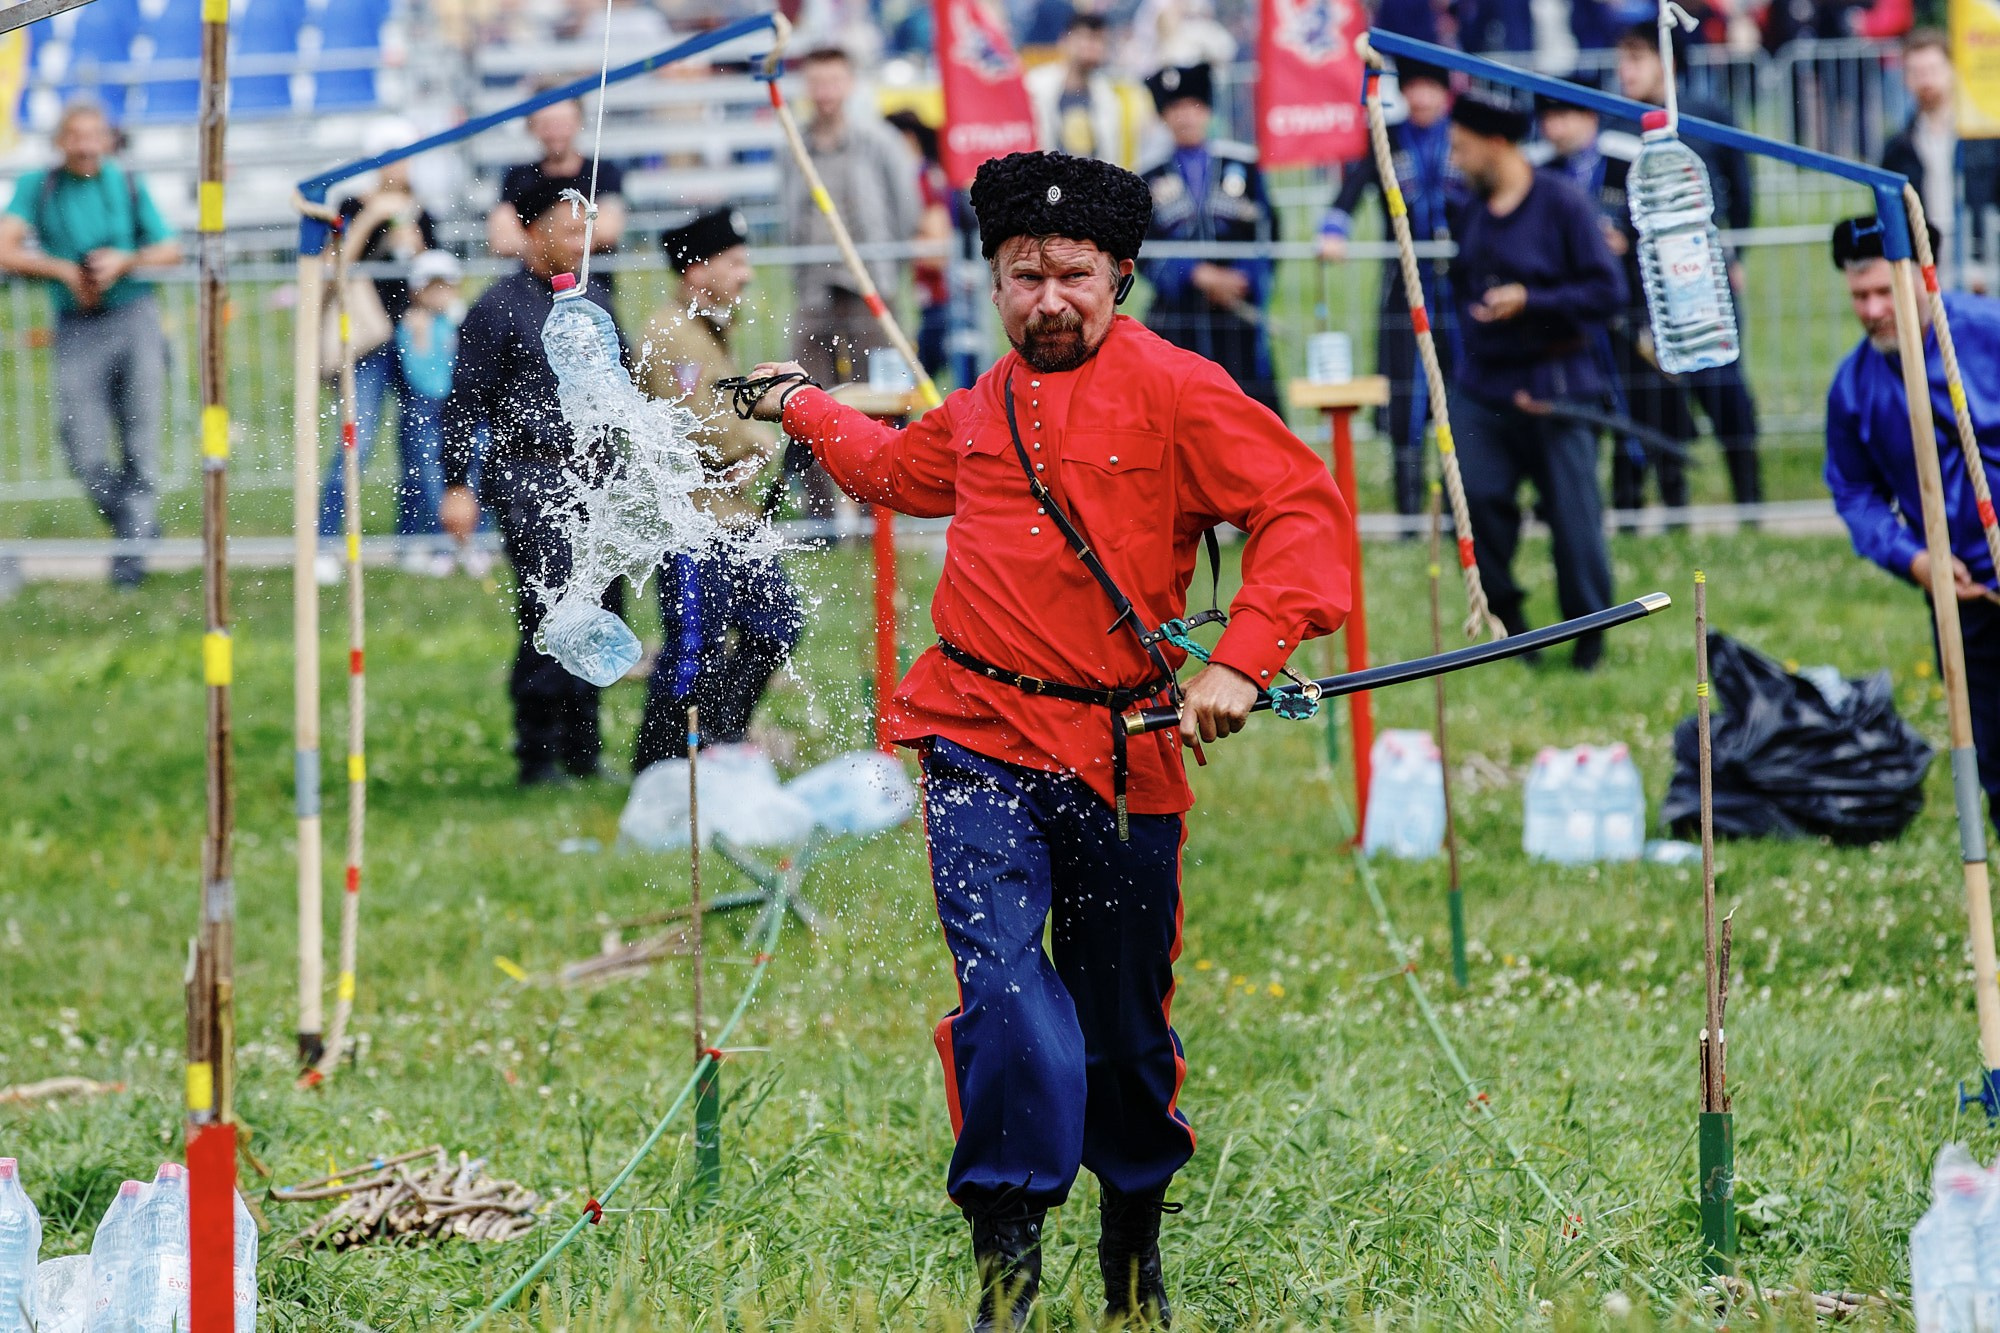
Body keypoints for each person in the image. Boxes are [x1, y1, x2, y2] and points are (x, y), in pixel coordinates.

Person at [737, 150, 1352, 1330]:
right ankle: (1004, 1289)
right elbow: (888, 468)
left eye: (1073, 275)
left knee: (1121, 1034)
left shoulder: (1182, 391)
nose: (1048, 300)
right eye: (1024, 277)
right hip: (973, 740)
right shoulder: (979, 408)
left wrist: (1238, 660)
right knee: (1009, 1003)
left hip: (1123, 757)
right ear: (993, 280)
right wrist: (798, 402)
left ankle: (1131, 1268)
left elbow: (1300, 509)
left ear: (1119, 276)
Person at [439, 178, 633, 786]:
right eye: (568, 230)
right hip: (529, 478)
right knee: (551, 610)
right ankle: (539, 751)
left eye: (586, 230)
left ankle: (584, 746)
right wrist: (457, 484)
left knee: (601, 604)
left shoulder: (595, 299)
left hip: (596, 479)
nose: (581, 243)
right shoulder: (496, 308)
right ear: (530, 233)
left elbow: (624, 383)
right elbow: (462, 402)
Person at [1446, 88, 1625, 669]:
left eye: (1462, 147)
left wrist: (1532, 301)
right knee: (1474, 502)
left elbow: (1606, 291)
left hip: (1558, 385)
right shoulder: (1470, 208)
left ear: (1496, 144)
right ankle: (1509, 622)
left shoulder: (1563, 205)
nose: (1454, 159)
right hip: (1484, 388)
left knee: (1574, 521)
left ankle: (1590, 635)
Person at [1825, 215, 2000, 810]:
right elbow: (1854, 493)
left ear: (1925, 280)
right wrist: (1917, 560)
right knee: (1993, 754)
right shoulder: (1853, 389)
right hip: (1965, 597)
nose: (1873, 310)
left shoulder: (1987, 335)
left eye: (1884, 292)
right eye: (1859, 296)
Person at [631, 208, 801, 769]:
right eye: (734, 262)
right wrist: (764, 432)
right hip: (693, 525)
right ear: (696, 269)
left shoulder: (706, 328)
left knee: (776, 622)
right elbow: (705, 426)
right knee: (692, 650)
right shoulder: (671, 333)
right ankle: (661, 762)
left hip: (731, 517)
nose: (746, 274)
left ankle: (721, 736)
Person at [0, 101, 180, 587]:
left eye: (94, 135)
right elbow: (5, 246)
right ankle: (134, 524)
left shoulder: (126, 182)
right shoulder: (39, 187)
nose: (84, 145)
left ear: (107, 139)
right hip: (77, 324)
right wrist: (61, 268)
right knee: (82, 445)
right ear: (61, 142)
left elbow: (170, 249)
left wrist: (124, 261)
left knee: (141, 440)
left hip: (135, 315)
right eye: (75, 136)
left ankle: (130, 560)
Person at [1614, 21, 1763, 511]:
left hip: (1703, 282)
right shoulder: (1615, 122)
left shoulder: (1708, 116)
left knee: (1723, 390)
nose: (1624, 70)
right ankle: (1669, 505)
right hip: (1641, 287)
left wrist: (1733, 250)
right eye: (1622, 58)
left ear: (1668, 61)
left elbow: (1741, 193)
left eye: (1636, 58)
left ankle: (1749, 499)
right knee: (1653, 401)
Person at [1318, 60, 1470, 518]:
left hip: (1460, 287)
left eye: (1432, 88)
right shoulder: (1388, 136)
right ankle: (1408, 506)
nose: (1422, 98)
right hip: (1402, 285)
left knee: (1461, 385)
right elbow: (1351, 191)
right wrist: (1334, 229)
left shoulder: (1464, 137)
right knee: (1406, 387)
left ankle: (1461, 497)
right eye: (1415, 88)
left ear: (1447, 93)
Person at [777, 45, 921, 517]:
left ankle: (879, 507)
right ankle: (820, 513)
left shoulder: (879, 143)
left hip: (870, 288)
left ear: (850, 83)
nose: (825, 93)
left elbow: (905, 208)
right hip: (815, 290)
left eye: (834, 81)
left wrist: (885, 265)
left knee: (878, 395)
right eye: (817, 83)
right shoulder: (795, 145)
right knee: (810, 395)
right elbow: (787, 211)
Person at [316, 149, 446, 583]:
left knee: (420, 445)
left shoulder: (421, 210)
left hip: (414, 338)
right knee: (357, 440)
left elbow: (438, 276)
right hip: (367, 340)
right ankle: (326, 542)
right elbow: (333, 266)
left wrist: (415, 247)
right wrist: (371, 220)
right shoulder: (352, 207)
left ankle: (413, 540)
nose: (399, 168)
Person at [1140, 63, 1280, 412]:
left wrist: (1243, 278)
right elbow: (1142, 246)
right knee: (1180, 409)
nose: (1186, 117)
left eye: (1194, 106)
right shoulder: (1149, 179)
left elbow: (1269, 228)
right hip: (1177, 317)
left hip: (1236, 315)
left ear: (1209, 111)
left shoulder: (1243, 168)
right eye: (1175, 108)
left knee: (1246, 410)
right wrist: (1194, 274)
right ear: (1164, 116)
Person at [1883, 29, 2000, 292]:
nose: (1926, 80)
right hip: (1926, 264)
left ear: (1951, 70)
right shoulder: (1898, 147)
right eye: (1917, 72)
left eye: (1933, 69)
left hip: (1981, 259)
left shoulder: (1984, 136)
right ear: (1905, 79)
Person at [487, 97, 627, 285]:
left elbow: (608, 230)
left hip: (593, 286)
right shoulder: (518, 176)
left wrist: (539, 242)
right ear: (532, 127)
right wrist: (570, 239)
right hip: (532, 289)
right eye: (546, 124)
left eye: (563, 123)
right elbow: (502, 240)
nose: (555, 132)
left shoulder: (601, 172)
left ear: (578, 123)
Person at [1024, 13, 1154, 169]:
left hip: (1093, 186)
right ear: (1064, 40)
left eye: (1099, 40)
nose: (1092, 46)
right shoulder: (1034, 86)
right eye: (1085, 38)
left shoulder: (1113, 95)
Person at [885, 109, 955, 380]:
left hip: (939, 299)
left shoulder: (924, 179)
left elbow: (938, 250)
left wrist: (899, 246)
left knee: (907, 380)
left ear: (908, 139)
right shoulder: (924, 176)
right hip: (930, 299)